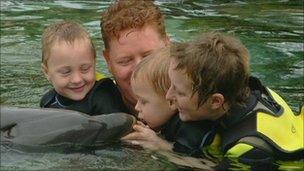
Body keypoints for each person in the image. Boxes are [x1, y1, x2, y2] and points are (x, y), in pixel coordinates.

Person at [165, 32, 304, 167]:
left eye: (180, 92)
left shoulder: (249, 149)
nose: (168, 96)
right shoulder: (252, 91)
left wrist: (160, 148)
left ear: (215, 101)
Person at [121, 46, 215, 155]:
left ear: (171, 100)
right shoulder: (169, 123)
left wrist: (159, 145)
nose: (137, 107)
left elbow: (202, 164)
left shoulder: (190, 129)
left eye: (143, 101)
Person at [40, 21, 126, 115]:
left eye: (85, 69)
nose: (77, 80)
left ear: (94, 64)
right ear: (46, 72)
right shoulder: (48, 102)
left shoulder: (104, 96)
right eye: (66, 72)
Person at [100, 0, 170, 115]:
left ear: (168, 47)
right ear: (108, 61)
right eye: (125, 61)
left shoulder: (196, 102)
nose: (139, 70)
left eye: (148, 56)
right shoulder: (94, 103)